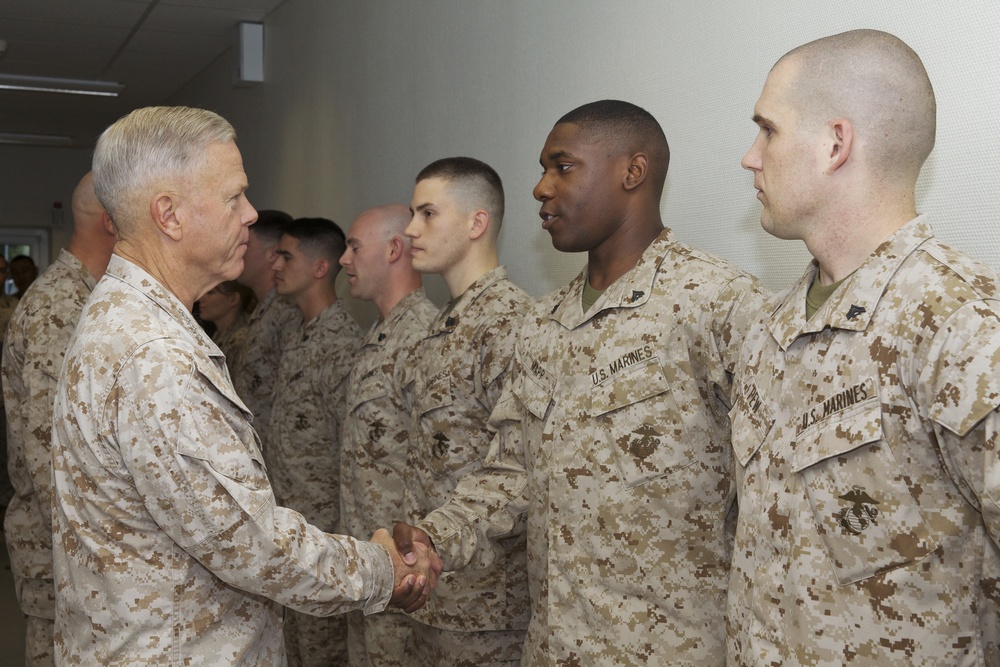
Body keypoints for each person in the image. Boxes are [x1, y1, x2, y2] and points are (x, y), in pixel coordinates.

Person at [49, 106, 440, 666]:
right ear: (169, 215)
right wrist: (381, 568)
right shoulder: (155, 355)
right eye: (234, 197)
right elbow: (248, 543)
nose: (251, 215)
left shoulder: (130, 320)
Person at [395, 100, 768, 665]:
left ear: (632, 172)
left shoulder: (717, 305)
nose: (541, 189)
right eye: (542, 169)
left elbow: (775, 497)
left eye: (562, 167)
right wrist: (431, 538)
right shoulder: (542, 325)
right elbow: (509, 475)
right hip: (552, 646)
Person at [727, 29, 1000, 665]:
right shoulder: (771, 330)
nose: (750, 156)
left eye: (768, 129)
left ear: (835, 144)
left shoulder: (961, 324)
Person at [402, 157, 534, 666]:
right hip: (436, 592)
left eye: (428, 213)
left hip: (486, 609)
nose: (412, 229)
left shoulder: (508, 324)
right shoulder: (446, 325)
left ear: (476, 223)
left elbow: (519, 469)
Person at [1, 171, 117, 667]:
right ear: (115, 222)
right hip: (64, 556)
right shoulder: (60, 307)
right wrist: (96, 557)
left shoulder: (88, 297)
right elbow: (48, 448)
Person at [338, 204, 439, 666]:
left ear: (394, 250)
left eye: (354, 247)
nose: (343, 260)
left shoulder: (421, 339)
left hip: (402, 572)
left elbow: (440, 468)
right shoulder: (379, 333)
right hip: (367, 564)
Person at [269, 217, 362, 666]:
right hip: (289, 527)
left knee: (324, 653)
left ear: (321, 267)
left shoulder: (341, 345)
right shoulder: (296, 334)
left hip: (323, 535)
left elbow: (353, 452)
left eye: (287, 256)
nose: (276, 263)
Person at [231, 209, 298, 450]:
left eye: (246, 245)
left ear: (272, 255)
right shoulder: (263, 313)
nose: (237, 251)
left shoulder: (287, 315)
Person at [196, 279, 256, 362]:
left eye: (210, 293)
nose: (201, 298)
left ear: (233, 299)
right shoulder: (219, 335)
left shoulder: (240, 341)